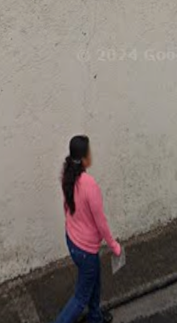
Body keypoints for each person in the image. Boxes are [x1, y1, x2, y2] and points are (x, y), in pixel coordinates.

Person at [53, 135, 121, 323]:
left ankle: (95, 317)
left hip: (72, 240)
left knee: (94, 279)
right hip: (85, 250)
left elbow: (66, 206)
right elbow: (101, 222)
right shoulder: (89, 184)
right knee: (80, 298)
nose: (92, 154)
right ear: (84, 158)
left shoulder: (67, 175)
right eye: (89, 152)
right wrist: (114, 246)